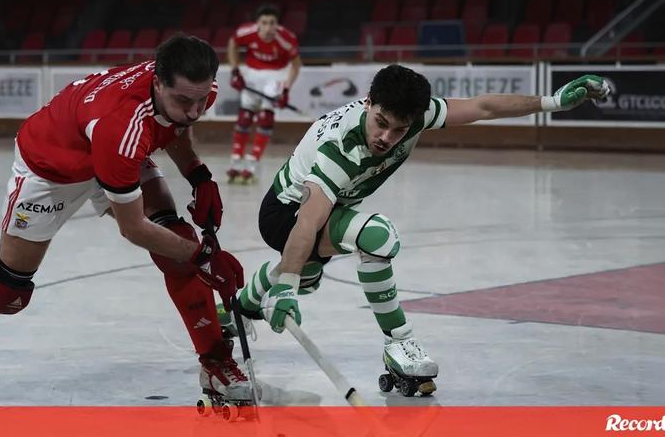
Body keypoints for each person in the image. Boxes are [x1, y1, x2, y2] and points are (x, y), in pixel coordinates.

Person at [221, 65, 610, 395]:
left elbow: (483, 106)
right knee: (377, 237)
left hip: (324, 210)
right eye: (381, 124)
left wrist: (553, 102)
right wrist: (288, 288)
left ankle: (244, 303)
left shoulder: (415, 116)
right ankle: (400, 344)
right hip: (286, 215)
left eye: (399, 130)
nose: (386, 139)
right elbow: (308, 221)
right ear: (369, 102)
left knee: (310, 271)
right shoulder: (343, 147)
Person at [0, 35, 250, 405]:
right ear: (157, 82)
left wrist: (198, 174)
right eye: (185, 100)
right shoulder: (121, 126)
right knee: (6, 289)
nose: (196, 110)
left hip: (109, 152)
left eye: (202, 101)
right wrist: (201, 256)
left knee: (175, 248)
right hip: (51, 169)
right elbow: (133, 228)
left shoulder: (194, 87)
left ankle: (215, 362)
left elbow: (174, 125)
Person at [226, 4, 301, 185]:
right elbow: (232, 44)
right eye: (264, 23)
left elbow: (296, 65)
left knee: (265, 118)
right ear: (257, 24)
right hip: (252, 73)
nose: (269, 28)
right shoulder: (246, 32)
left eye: (272, 23)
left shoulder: (287, 39)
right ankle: (236, 160)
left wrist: (286, 89)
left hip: (276, 75)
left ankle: (253, 162)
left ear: (277, 24)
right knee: (244, 117)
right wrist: (235, 70)